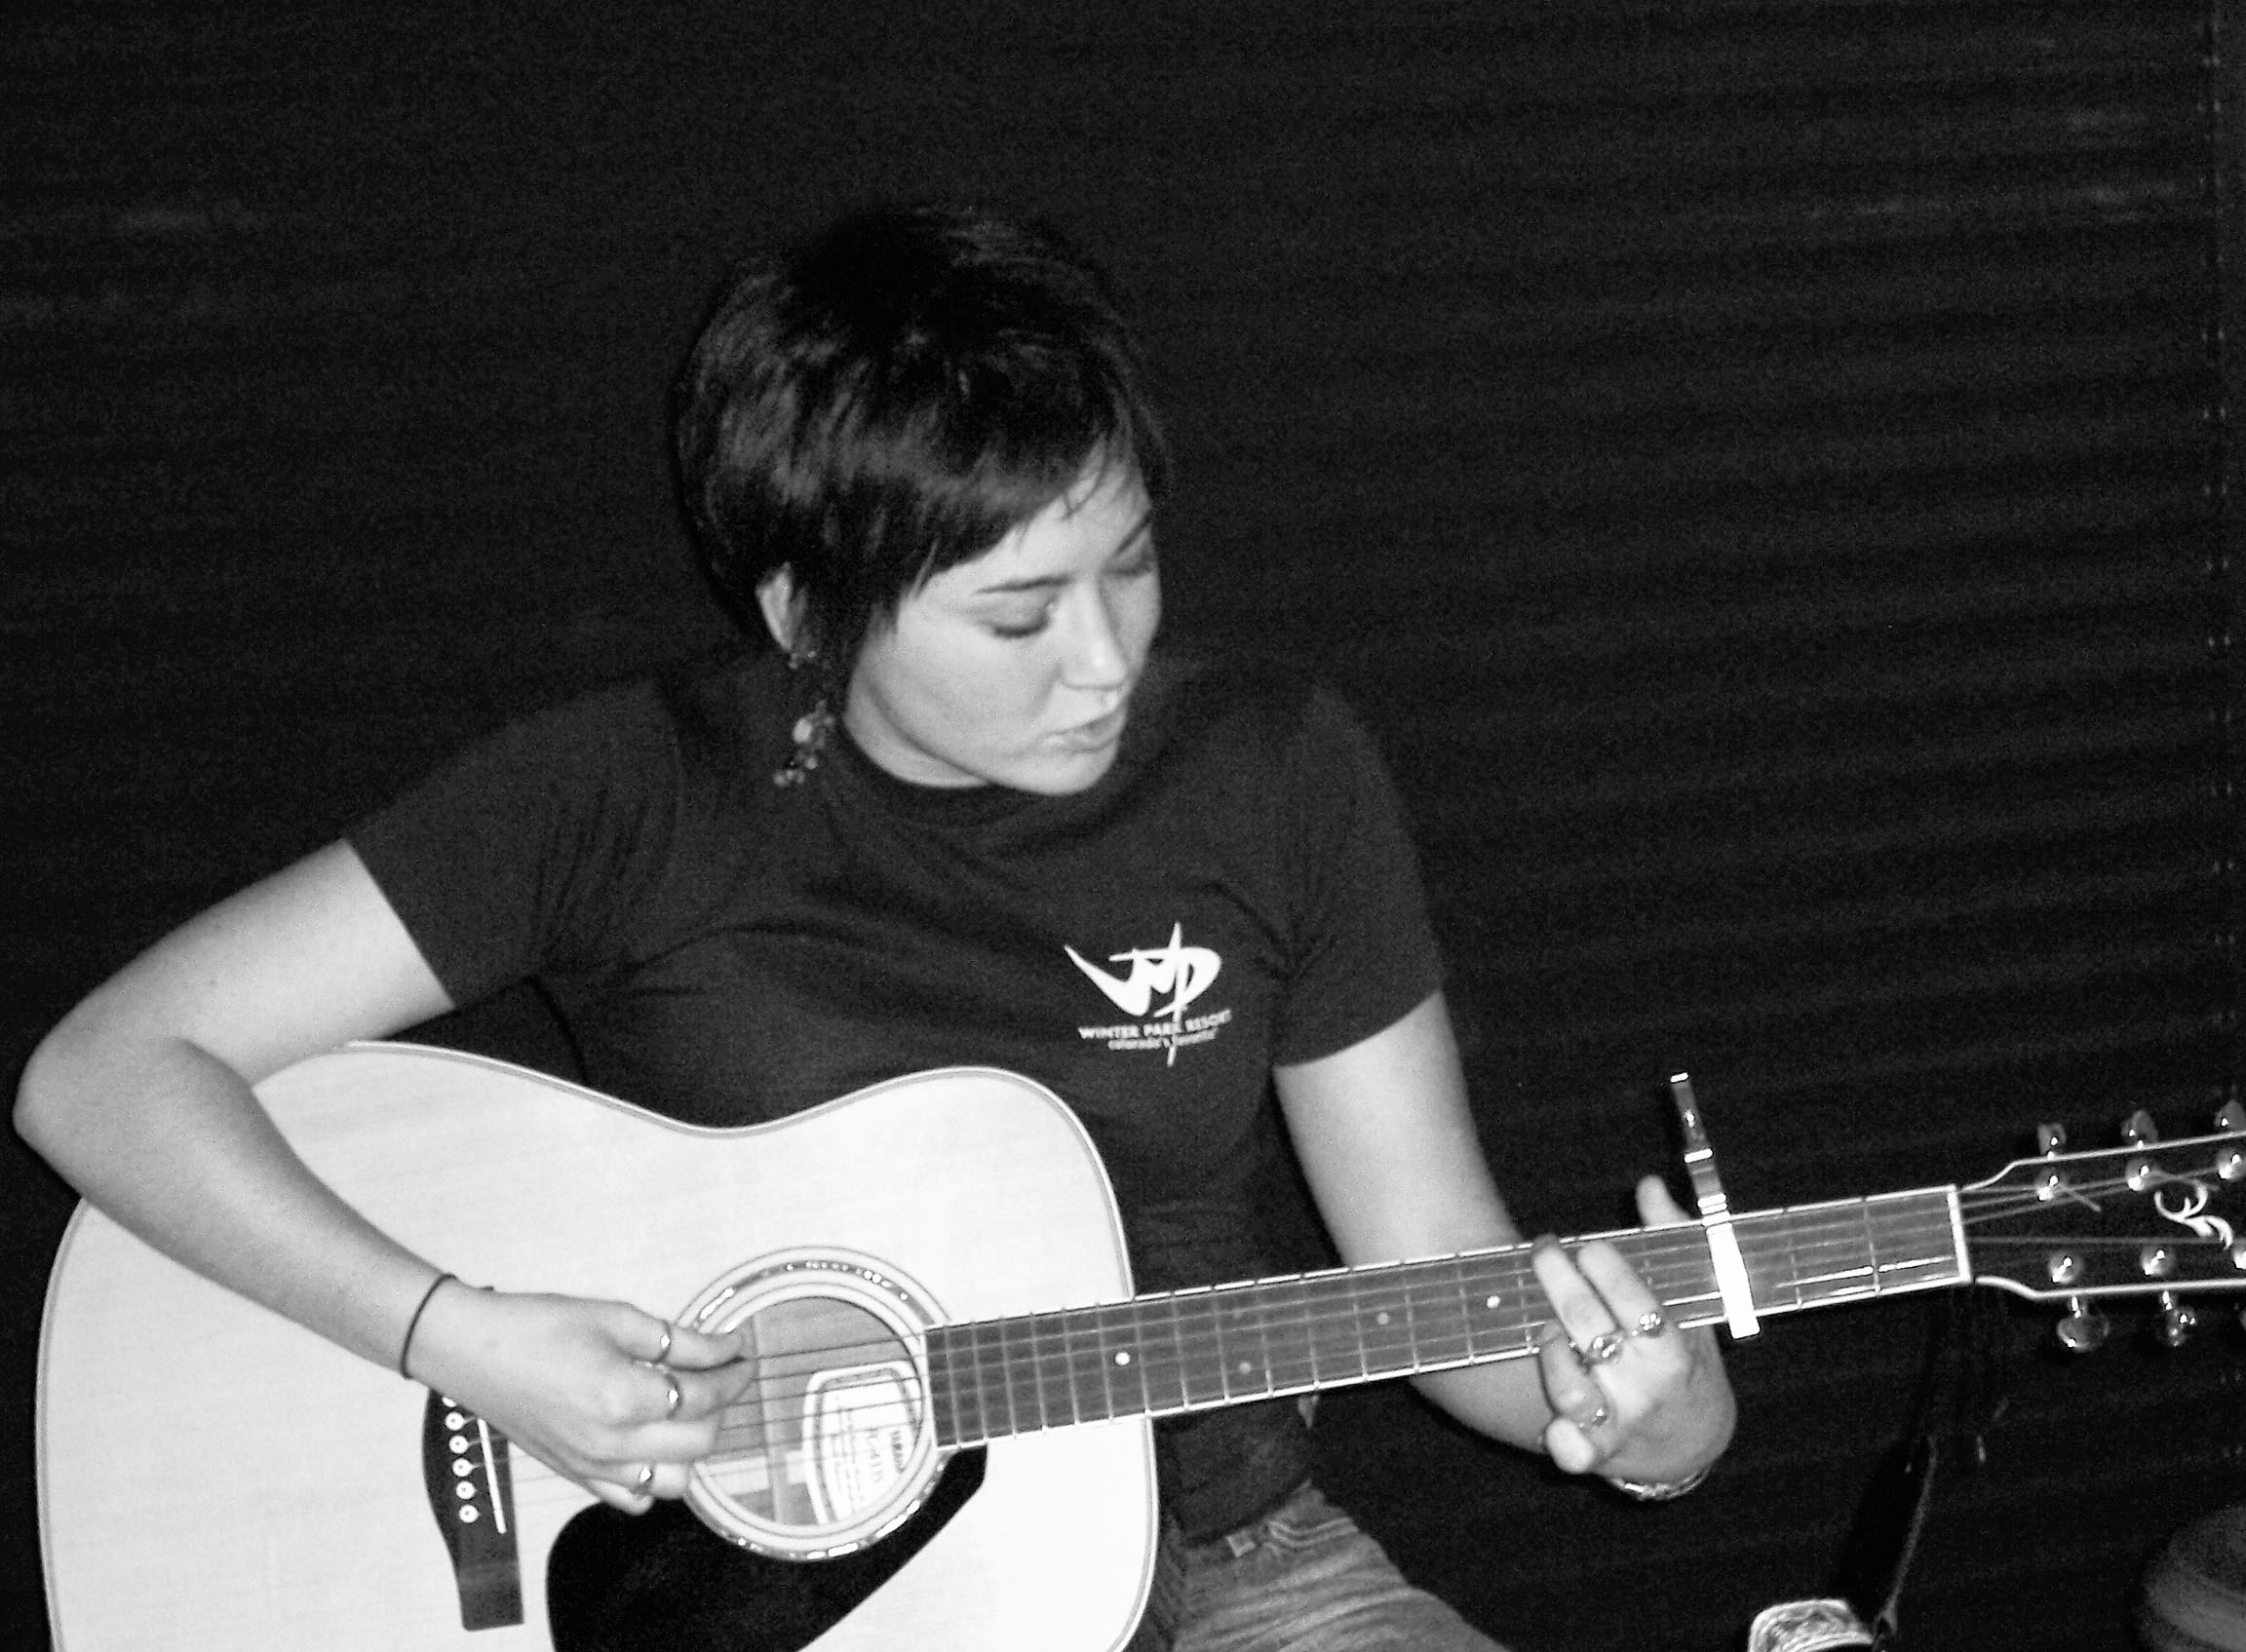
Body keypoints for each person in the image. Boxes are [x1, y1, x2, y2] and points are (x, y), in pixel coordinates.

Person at [16, 203, 1734, 1651]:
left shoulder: (1278, 771)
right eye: (1018, 614)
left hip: (1232, 1570)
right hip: (769, 1605)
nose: (1107, 659)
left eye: (1132, 563)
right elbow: (102, 1075)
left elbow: (1431, 1259)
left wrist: (1644, 1418)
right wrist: (457, 1336)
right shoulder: (626, 793)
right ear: (807, 610)